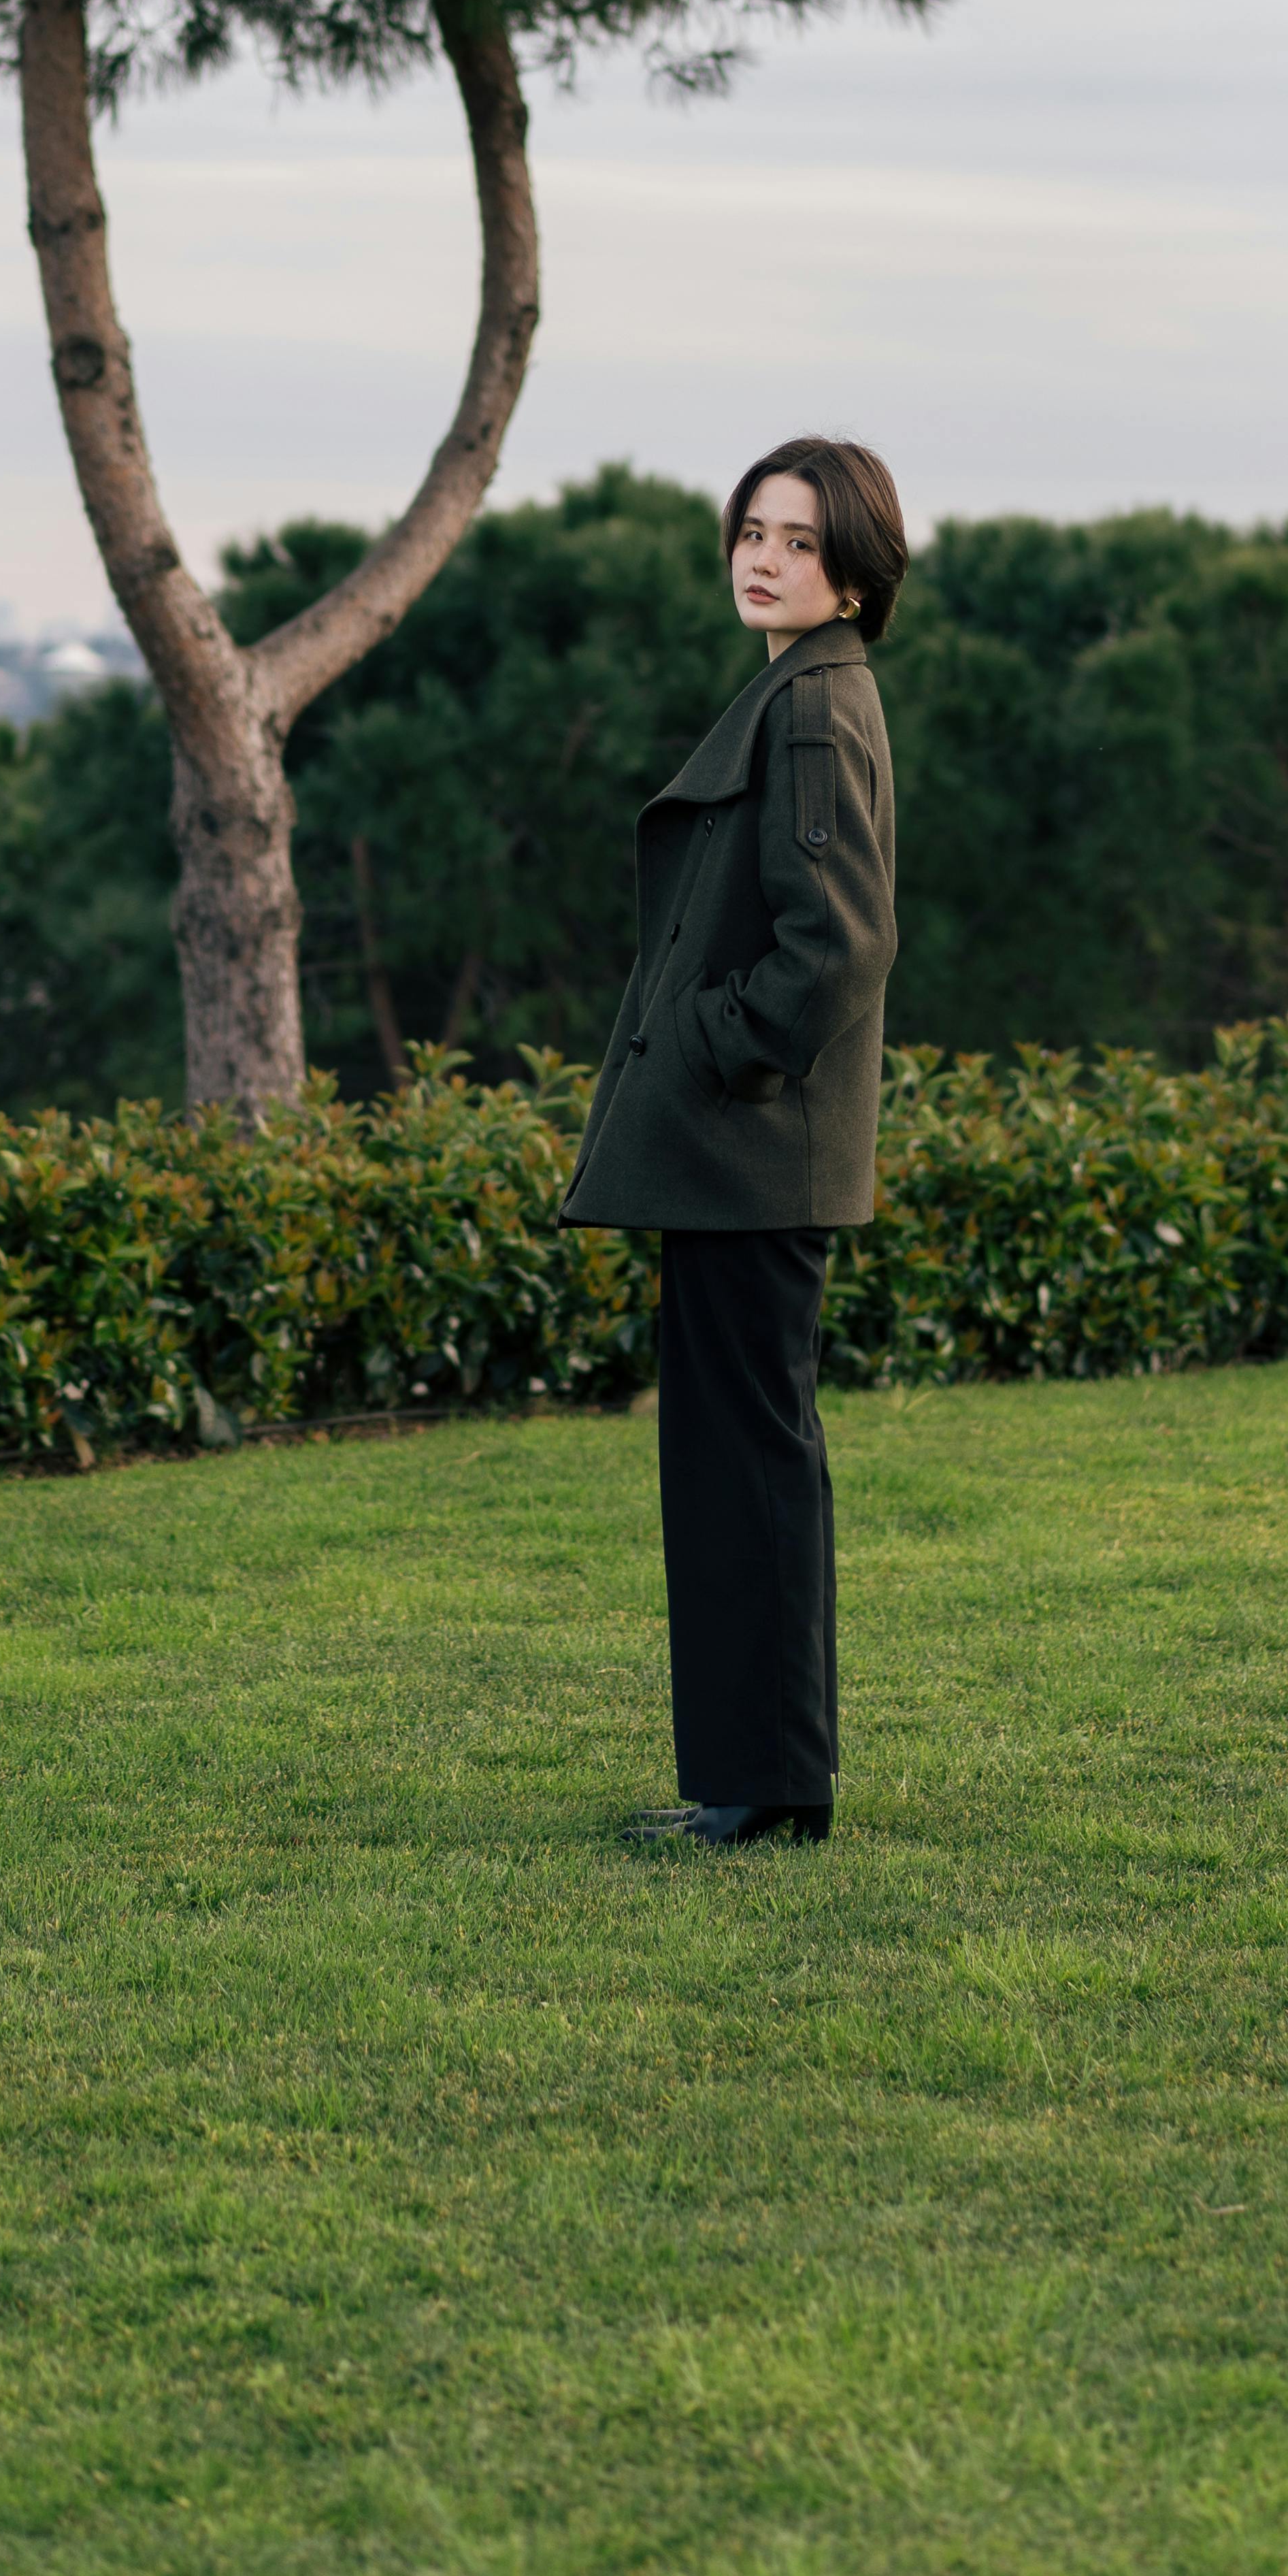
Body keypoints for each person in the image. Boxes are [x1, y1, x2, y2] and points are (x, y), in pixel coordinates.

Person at [559, 436, 905, 1849]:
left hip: (750, 1155)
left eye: (800, 543)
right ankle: (747, 1782)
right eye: (752, 531)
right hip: (739, 1156)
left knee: (748, 1469)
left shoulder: (816, 709)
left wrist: (711, 1045)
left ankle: (765, 1795)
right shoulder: (796, 689)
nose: (763, 559)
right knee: (729, 1466)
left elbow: (838, 947)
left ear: (854, 576)